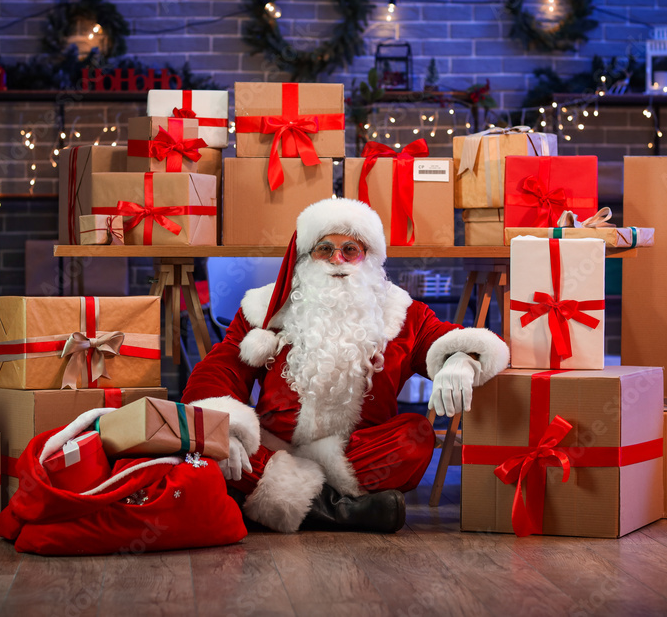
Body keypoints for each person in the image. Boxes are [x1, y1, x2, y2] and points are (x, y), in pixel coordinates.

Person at [182, 197, 509, 533]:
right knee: (217, 445)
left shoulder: (401, 313)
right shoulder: (265, 308)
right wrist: (227, 430)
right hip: (274, 447)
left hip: (356, 452)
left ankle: (283, 500)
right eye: (324, 249)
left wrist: (460, 360)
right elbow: (220, 369)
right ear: (305, 256)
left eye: (350, 250)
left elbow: (450, 338)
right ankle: (340, 509)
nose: (337, 260)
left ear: (369, 257)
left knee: (415, 438)